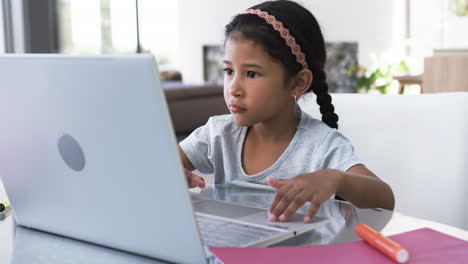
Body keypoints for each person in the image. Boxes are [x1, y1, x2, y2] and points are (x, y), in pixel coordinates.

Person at [178, 0, 395, 223]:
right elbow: (164, 163)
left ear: (298, 83)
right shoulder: (218, 133)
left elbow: (385, 200)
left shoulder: (321, 145)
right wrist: (173, 173)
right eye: (229, 70)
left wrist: (336, 179)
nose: (233, 88)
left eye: (251, 74)